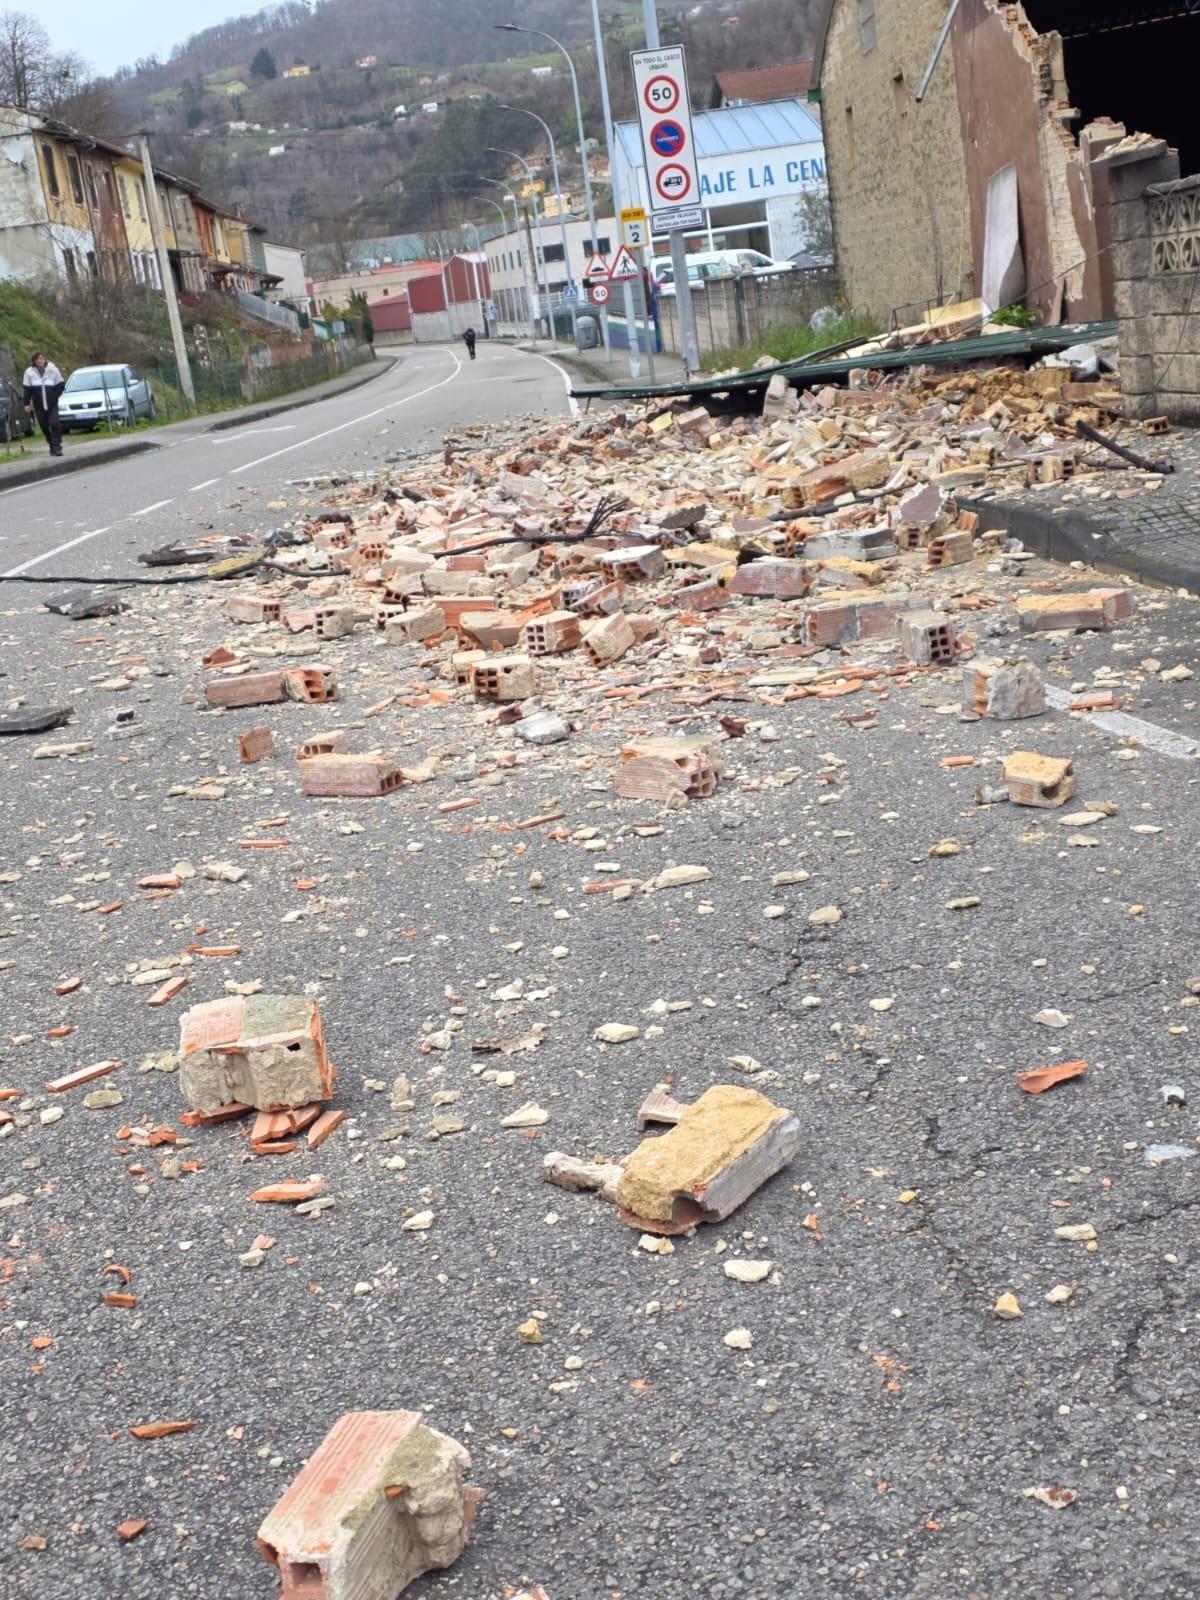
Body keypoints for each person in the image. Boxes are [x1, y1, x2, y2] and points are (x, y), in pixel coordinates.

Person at [23, 352, 64, 457]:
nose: (39, 361)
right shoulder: (29, 372)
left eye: (41, 358)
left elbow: (60, 385)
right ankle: (51, 444)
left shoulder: (53, 370)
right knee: (44, 426)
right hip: (39, 405)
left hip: (52, 404)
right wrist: (26, 403)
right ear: (34, 362)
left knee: (54, 423)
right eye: (37, 360)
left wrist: (55, 396)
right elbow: (27, 389)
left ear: (45, 359)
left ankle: (57, 446)